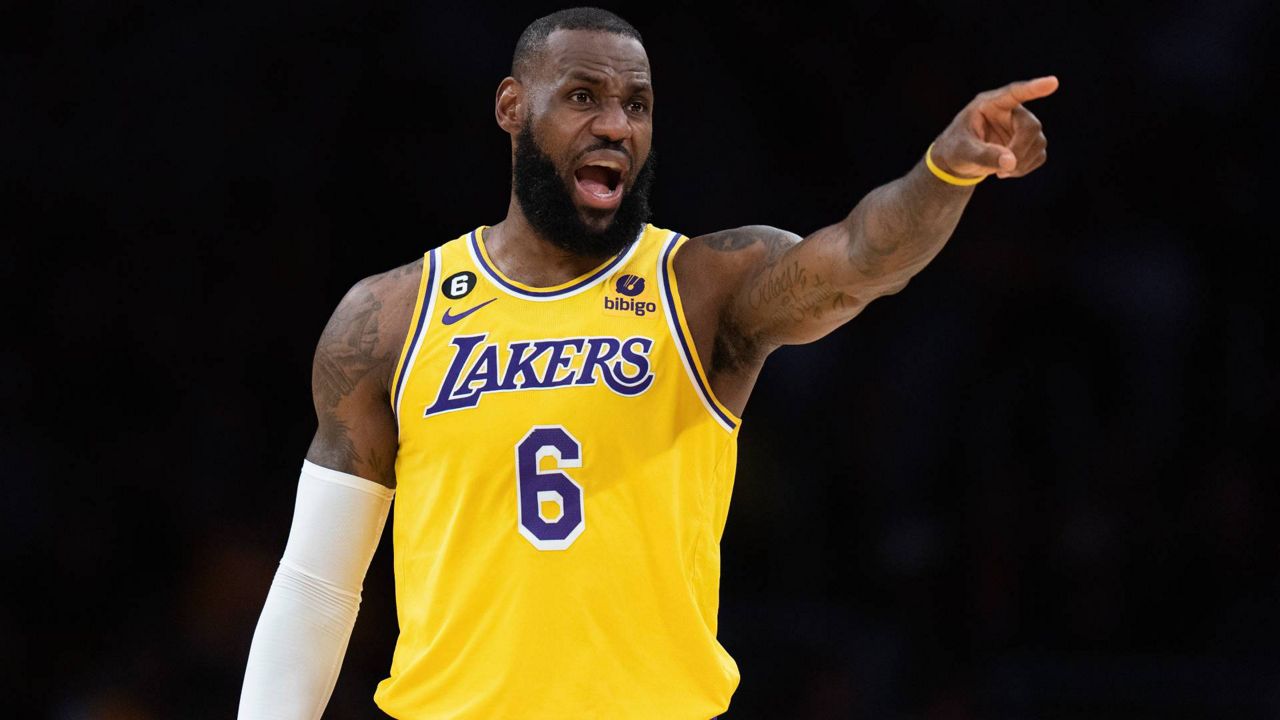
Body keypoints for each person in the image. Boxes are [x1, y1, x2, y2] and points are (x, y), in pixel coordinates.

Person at [237, 7, 1055, 719]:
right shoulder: (389, 318)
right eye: (584, 97)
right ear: (513, 108)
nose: (617, 125)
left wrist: (945, 171)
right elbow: (317, 585)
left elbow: (862, 257)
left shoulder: (704, 289)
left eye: (638, 104)